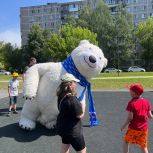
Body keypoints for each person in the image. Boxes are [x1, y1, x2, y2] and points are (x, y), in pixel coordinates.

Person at [56, 73, 87, 153]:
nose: (76, 84)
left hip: (63, 128)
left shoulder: (61, 95)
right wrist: (83, 105)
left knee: (65, 148)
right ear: (70, 85)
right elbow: (80, 115)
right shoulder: (72, 100)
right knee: (82, 151)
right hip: (73, 132)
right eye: (74, 82)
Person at [121, 83, 153, 153]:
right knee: (143, 146)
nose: (129, 91)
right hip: (144, 129)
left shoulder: (131, 103)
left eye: (130, 90)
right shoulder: (146, 102)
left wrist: (124, 125)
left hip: (134, 128)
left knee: (126, 141)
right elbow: (150, 116)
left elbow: (130, 117)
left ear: (134, 93)